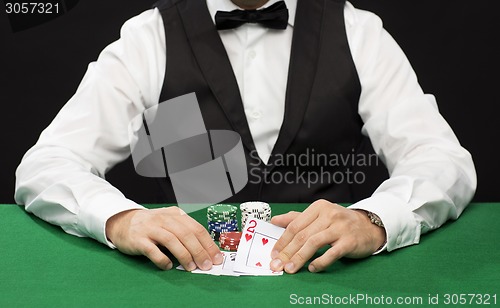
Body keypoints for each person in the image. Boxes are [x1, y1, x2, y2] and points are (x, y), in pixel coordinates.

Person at [15, 0, 476, 274]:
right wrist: (120, 219)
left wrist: (375, 219)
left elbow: (441, 158)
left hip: (326, 279)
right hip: (187, 281)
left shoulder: (358, 32)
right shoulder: (148, 38)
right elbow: (46, 163)